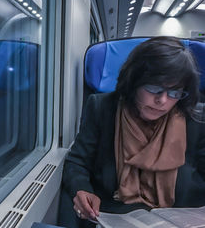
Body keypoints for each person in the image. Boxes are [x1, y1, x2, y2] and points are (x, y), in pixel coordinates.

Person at [58, 36, 205, 228]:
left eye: (174, 93)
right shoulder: (102, 108)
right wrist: (81, 189)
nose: (163, 101)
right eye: (154, 88)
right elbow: (77, 162)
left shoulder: (195, 119)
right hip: (115, 215)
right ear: (134, 81)